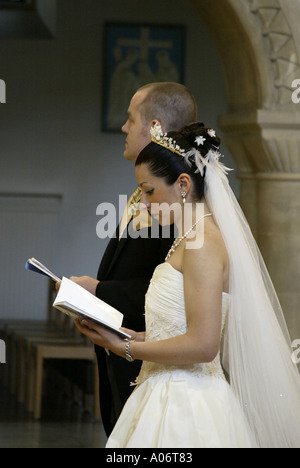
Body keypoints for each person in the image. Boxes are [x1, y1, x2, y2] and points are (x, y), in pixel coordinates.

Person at [75, 122, 300, 448]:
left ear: (183, 184)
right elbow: (179, 327)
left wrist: (125, 348)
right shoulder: (186, 240)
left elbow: (204, 345)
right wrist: (130, 334)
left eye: (149, 191)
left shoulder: (203, 244)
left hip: (187, 404)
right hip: (162, 391)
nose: (145, 204)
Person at [68, 82, 198, 436]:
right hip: (129, 350)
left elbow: (174, 292)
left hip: (156, 366)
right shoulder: (153, 195)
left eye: (129, 119)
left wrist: (98, 290)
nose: (123, 128)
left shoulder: (178, 210)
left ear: (154, 127)